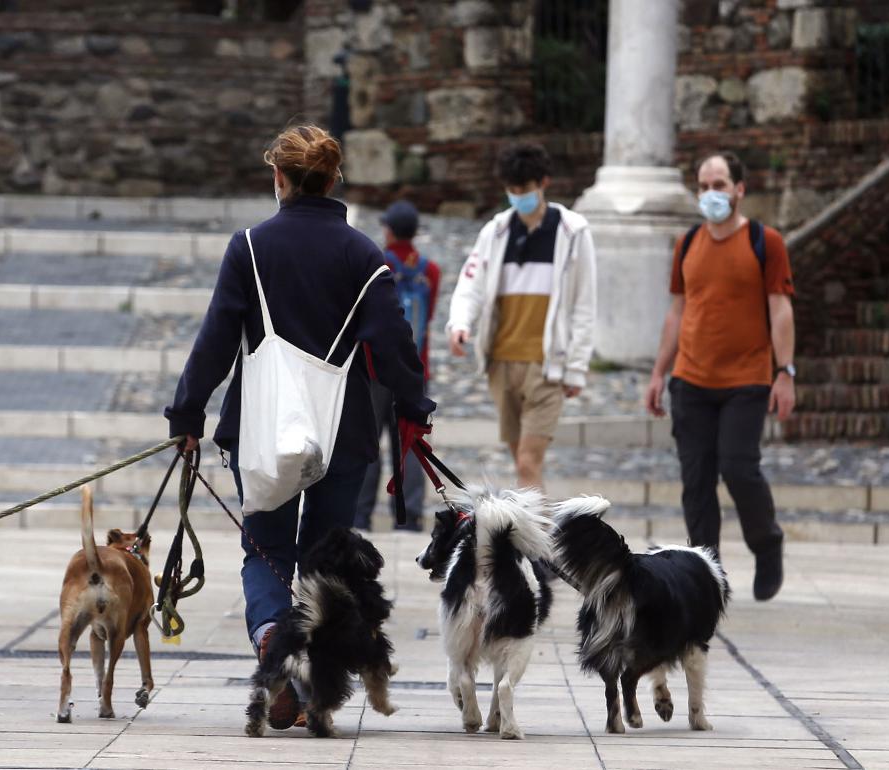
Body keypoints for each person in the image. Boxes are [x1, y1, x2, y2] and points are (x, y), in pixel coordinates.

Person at [163, 125, 434, 728]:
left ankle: (270, 642)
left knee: (265, 547)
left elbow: (214, 341)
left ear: (279, 178)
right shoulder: (365, 254)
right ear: (334, 179)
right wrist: (414, 410)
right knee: (328, 560)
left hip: (263, 429)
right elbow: (394, 344)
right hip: (344, 430)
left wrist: (187, 416)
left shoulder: (250, 247)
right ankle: (314, 685)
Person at [644, 151, 795, 602]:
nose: (711, 194)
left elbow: (781, 310)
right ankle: (706, 572)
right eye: (704, 186)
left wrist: (784, 372)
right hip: (690, 379)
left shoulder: (765, 242)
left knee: (738, 467)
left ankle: (767, 544)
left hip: (746, 379)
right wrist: (658, 373)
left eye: (720, 185)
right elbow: (677, 310)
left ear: (739, 190)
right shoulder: (687, 244)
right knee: (696, 480)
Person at [446, 142, 597, 490]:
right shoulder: (495, 231)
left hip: (547, 366)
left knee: (529, 463)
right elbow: (471, 284)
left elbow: (585, 305)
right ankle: (534, 540)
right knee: (522, 466)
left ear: (543, 183)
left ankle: (537, 545)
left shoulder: (573, 233)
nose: (518, 197)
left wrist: (576, 367)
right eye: (511, 191)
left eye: (524, 190)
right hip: (502, 363)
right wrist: (460, 324)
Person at [354, 200, 441, 532]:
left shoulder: (378, 266)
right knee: (411, 444)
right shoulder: (430, 271)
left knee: (369, 442)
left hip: (375, 370)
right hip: (416, 370)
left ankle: (360, 515)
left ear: (388, 230)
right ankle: (408, 516)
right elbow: (428, 317)